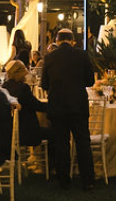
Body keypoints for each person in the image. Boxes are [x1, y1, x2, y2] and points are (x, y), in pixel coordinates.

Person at [40, 27, 96, 190]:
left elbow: (44, 84)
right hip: (78, 104)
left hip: (57, 105)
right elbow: (90, 81)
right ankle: (88, 180)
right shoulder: (82, 55)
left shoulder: (50, 57)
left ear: (57, 41)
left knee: (61, 143)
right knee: (83, 142)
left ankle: (64, 180)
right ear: (72, 41)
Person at [5, 59, 48, 167]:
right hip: (26, 132)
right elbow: (36, 106)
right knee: (56, 133)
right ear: (19, 73)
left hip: (10, 131)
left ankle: (39, 162)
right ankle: (49, 166)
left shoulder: (5, 87)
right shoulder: (23, 88)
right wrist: (54, 106)